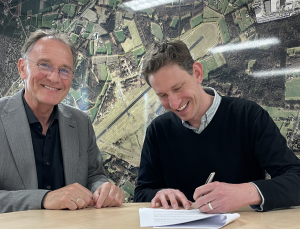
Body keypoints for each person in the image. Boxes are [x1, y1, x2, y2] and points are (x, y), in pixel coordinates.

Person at [133, 40, 300, 213]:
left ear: (197, 73)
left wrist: (247, 192)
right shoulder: (157, 131)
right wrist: (159, 194)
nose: (174, 104)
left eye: (178, 88)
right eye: (162, 95)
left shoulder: (249, 116)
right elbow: (142, 192)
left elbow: (296, 178)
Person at [0, 30, 124, 213]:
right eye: (44, 65)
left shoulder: (81, 123)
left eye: (64, 70)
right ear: (22, 68)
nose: (54, 77)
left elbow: (94, 176)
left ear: (71, 77)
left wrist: (102, 188)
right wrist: (43, 198)